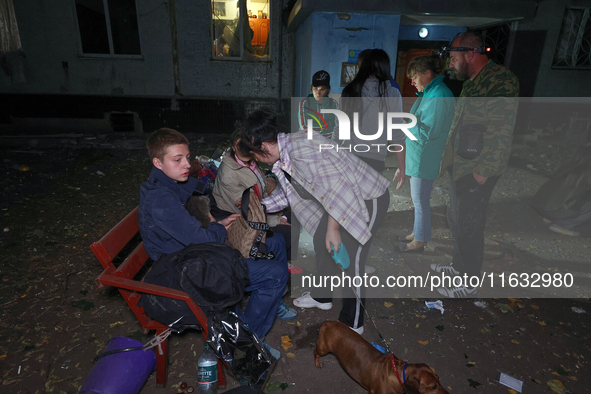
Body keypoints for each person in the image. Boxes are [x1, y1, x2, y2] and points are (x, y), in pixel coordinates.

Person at [137, 128, 288, 358]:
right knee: (275, 274)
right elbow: (204, 238)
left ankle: (266, 307)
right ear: (158, 163)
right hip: (184, 275)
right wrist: (219, 227)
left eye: (187, 157)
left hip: (194, 257)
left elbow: (190, 227)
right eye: (177, 160)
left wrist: (218, 221)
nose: (187, 164)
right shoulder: (161, 200)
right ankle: (245, 342)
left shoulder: (169, 185)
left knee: (274, 244)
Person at [236, 109, 390, 335]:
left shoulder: (301, 149)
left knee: (352, 258)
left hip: (367, 197)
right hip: (339, 202)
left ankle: (353, 323)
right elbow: (290, 192)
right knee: (321, 241)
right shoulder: (284, 155)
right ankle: (322, 296)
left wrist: (334, 228)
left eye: (255, 155)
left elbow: (338, 188)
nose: (257, 160)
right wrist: (258, 205)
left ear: (262, 145)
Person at [434, 32, 519, 298]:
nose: (451, 64)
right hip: (461, 165)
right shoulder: (471, 83)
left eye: (455, 58)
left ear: (471, 54)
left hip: (478, 169)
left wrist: (482, 173)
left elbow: (501, 131)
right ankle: (459, 267)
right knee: (455, 219)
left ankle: (469, 282)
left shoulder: (501, 81)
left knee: (470, 225)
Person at [212, 132, 298, 320]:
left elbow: (263, 189)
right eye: (239, 143)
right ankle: (275, 289)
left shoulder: (252, 162)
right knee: (286, 234)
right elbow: (248, 210)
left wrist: (275, 190)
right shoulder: (229, 174)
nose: (243, 146)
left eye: (248, 143)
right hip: (240, 223)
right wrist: (276, 219)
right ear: (233, 146)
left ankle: (276, 292)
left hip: (258, 212)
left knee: (290, 221)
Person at [398, 55, 455, 253]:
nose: (411, 81)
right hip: (420, 156)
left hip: (425, 157)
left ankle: (420, 241)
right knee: (418, 199)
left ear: (427, 73)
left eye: (414, 76)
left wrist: (403, 125)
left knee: (420, 200)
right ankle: (417, 232)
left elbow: (426, 132)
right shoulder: (432, 93)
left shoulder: (438, 95)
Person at [340, 49, 406, 188]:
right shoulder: (392, 93)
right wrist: (402, 166)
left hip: (348, 158)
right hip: (375, 159)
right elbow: (397, 134)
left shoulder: (349, 91)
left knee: (351, 205)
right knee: (372, 205)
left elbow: (339, 129)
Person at [298, 70, 339, 138]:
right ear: (311, 87)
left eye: (322, 89)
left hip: (328, 141)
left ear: (327, 90)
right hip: (308, 140)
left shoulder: (333, 104)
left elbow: (337, 127)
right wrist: (327, 125)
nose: (318, 92)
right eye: (315, 88)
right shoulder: (305, 103)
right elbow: (304, 127)